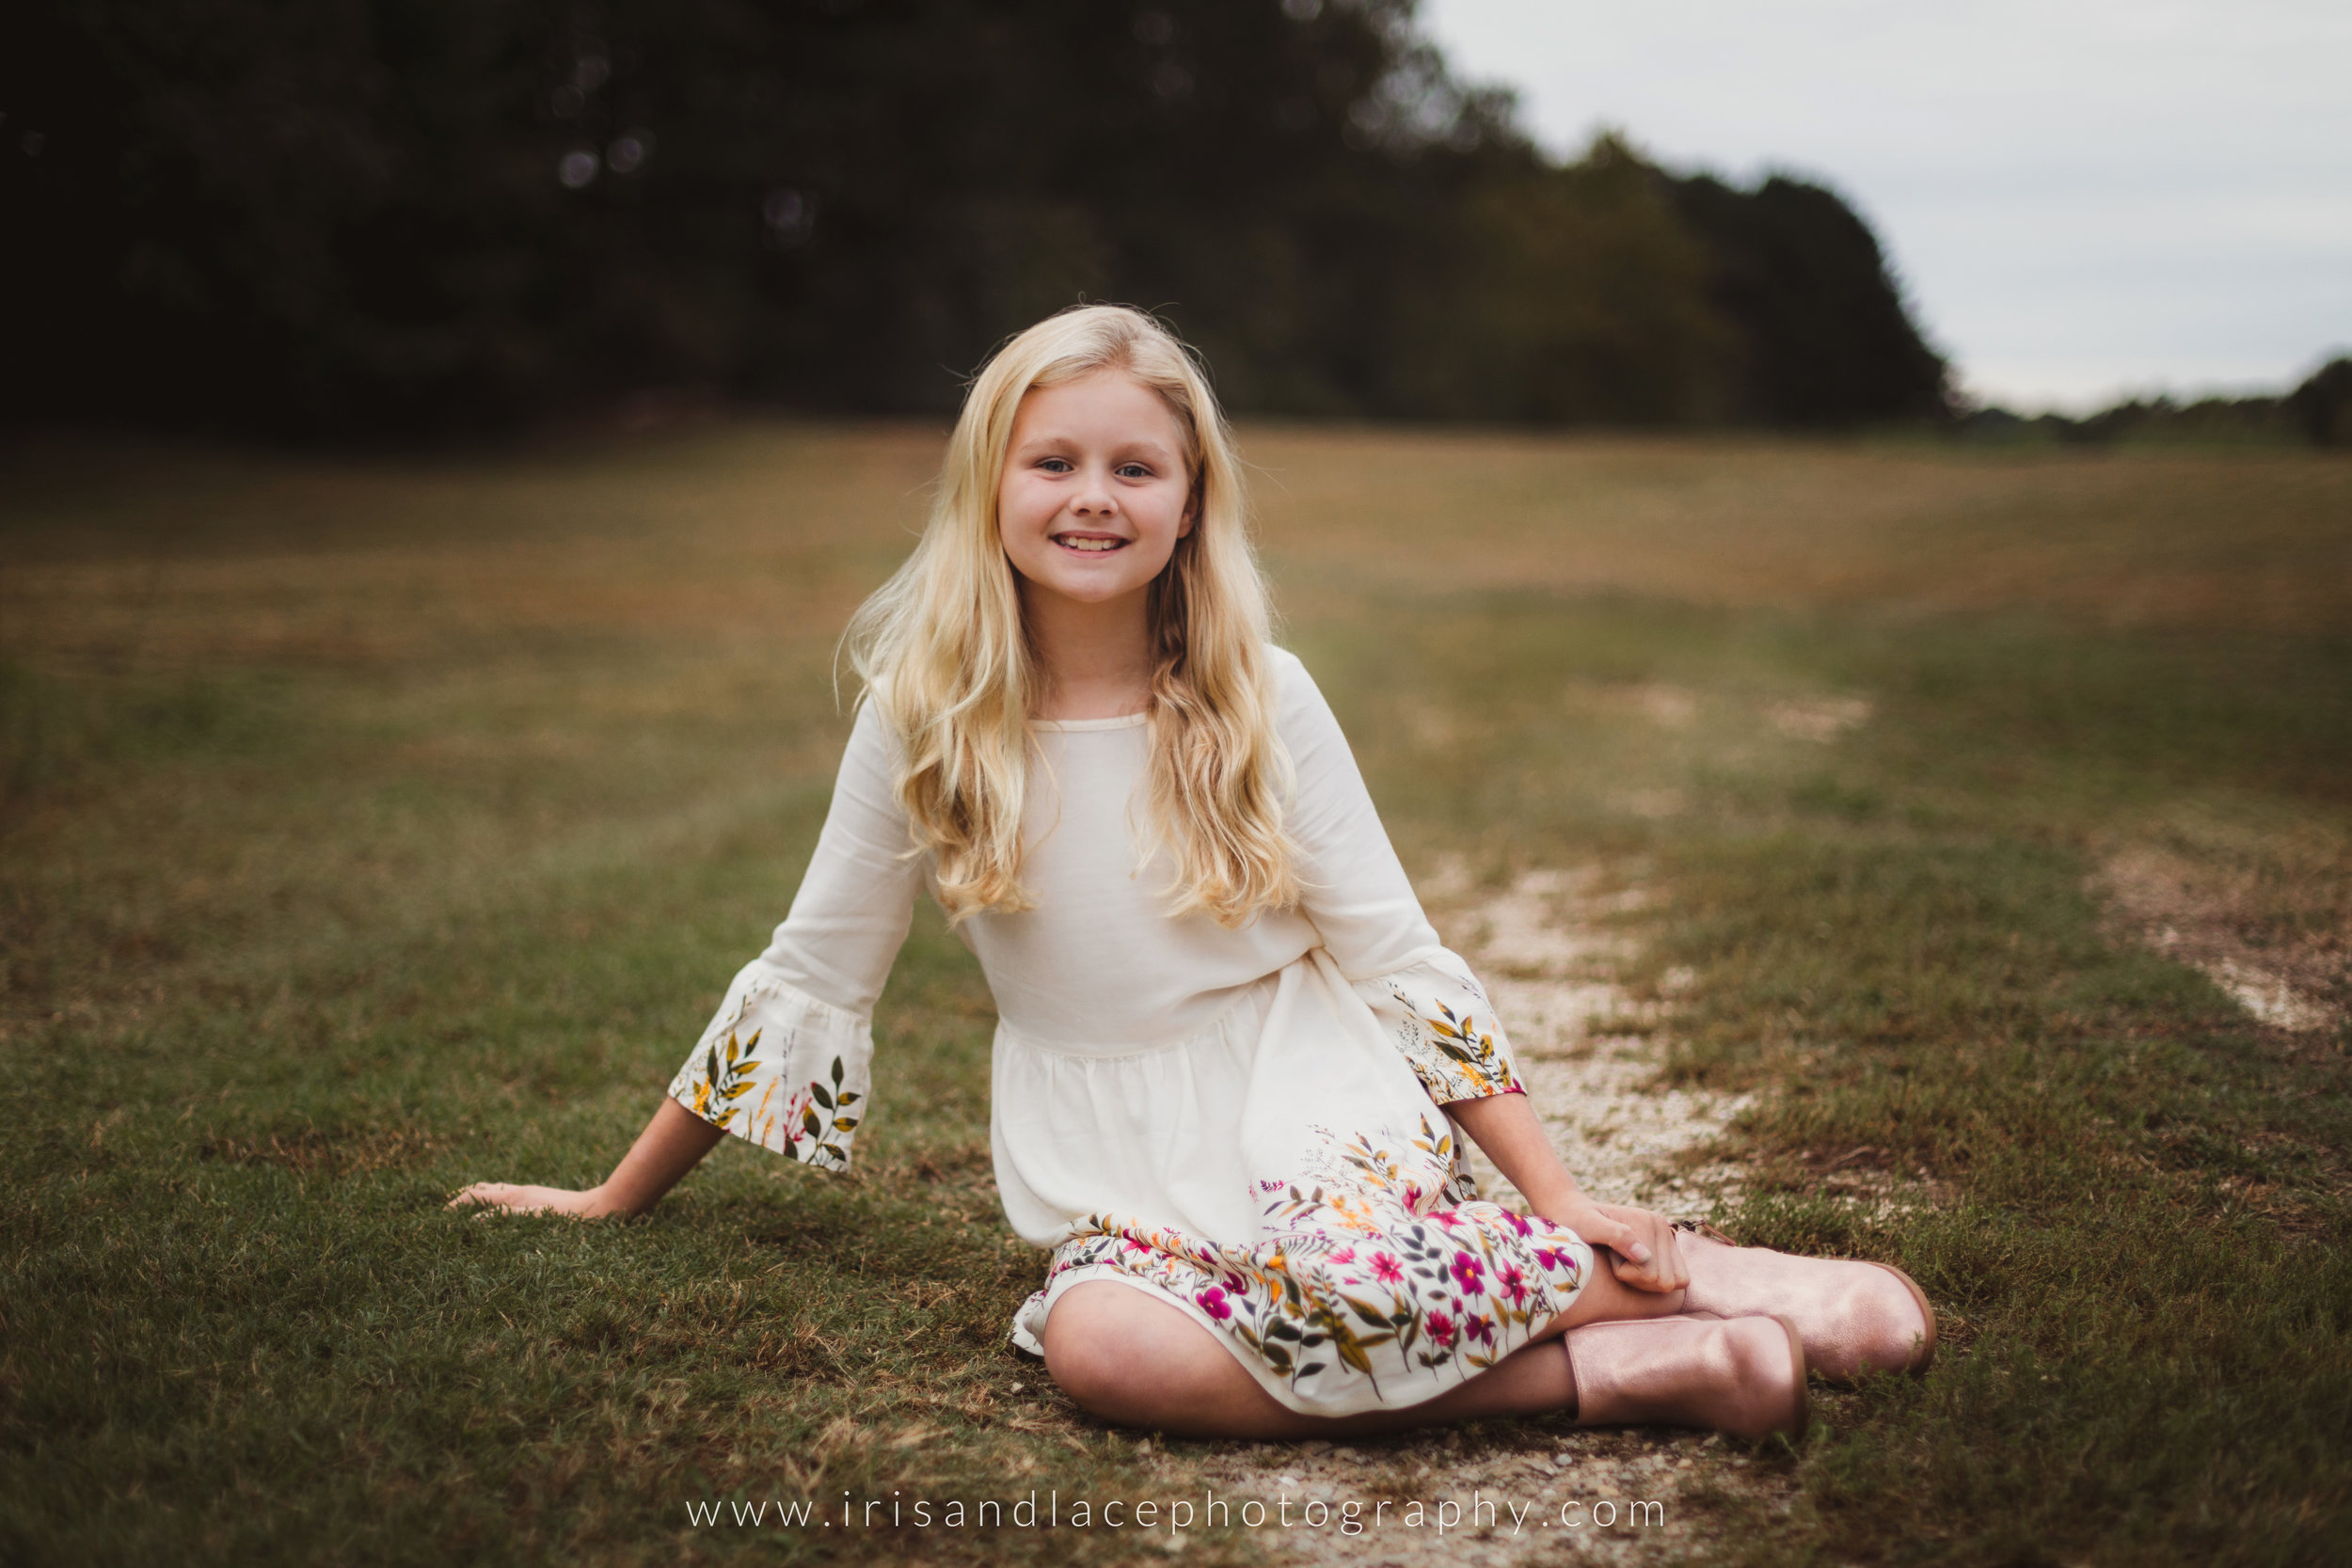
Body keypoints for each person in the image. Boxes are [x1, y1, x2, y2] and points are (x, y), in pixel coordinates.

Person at [450, 305, 1931, 1442]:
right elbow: (809, 976)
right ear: (990, 489)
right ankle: (1625, 1367)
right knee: (1106, 1350)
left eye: (1134, 466)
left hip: (1306, 1103)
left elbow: (1398, 960)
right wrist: (608, 1200)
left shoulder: (1258, 697)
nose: (1094, 496)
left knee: (1338, 1268)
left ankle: (1691, 1277)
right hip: (1107, 1165)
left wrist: (1555, 1196)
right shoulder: (925, 713)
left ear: (1187, 501)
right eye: (1055, 461)